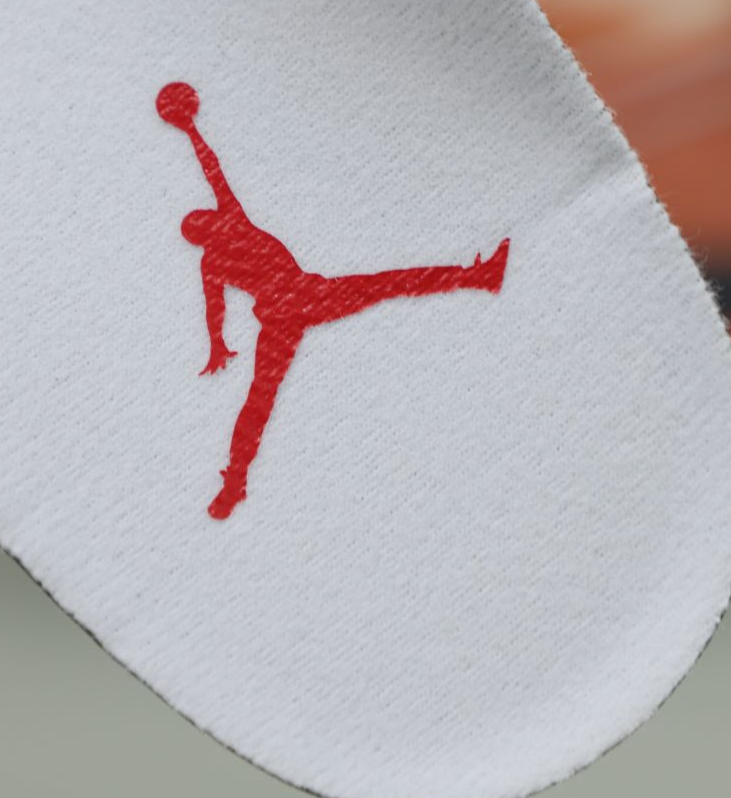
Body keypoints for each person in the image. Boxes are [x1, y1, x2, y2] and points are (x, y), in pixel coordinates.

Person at [155, 82, 509, 519]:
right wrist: (190, 129)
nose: (208, 215)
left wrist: (217, 345)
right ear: (207, 228)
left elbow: (215, 305)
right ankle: (477, 276)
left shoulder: (216, 255)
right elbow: (214, 175)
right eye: (203, 219)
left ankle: (235, 483)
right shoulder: (231, 225)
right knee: (387, 285)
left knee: (260, 398)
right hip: (305, 298)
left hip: (286, 313)